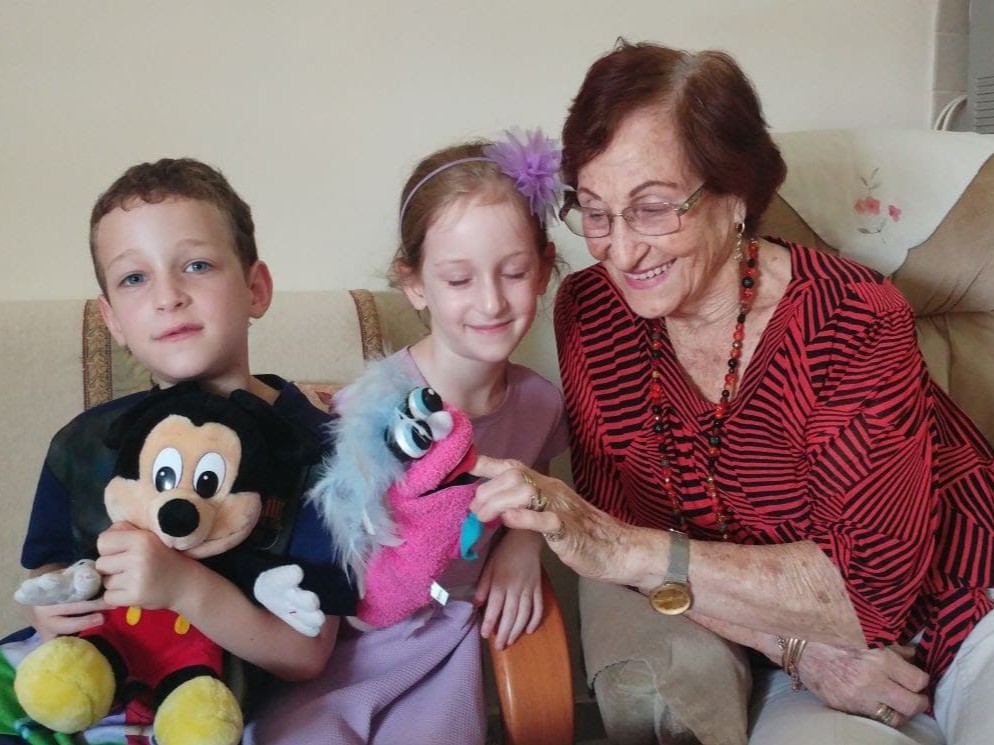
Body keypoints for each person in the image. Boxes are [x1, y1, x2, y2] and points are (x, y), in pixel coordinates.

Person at [469, 41, 994, 745]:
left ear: (735, 195)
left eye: (653, 208)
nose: (620, 250)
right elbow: (628, 531)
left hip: (968, 610)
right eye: (595, 212)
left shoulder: (853, 318)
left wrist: (619, 547)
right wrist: (796, 651)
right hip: (805, 654)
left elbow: (870, 593)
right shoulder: (592, 313)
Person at [0, 158, 357, 744]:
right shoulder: (83, 443)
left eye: (196, 265)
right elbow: (48, 570)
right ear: (112, 320)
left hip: (210, 711)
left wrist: (185, 588)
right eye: (134, 278)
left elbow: (306, 655)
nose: (168, 297)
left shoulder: (321, 453)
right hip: (82, 688)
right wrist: (46, 608)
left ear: (256, 288)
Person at [244, 130, 569, 745]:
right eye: (459, 280)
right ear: (415, 283)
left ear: (544, 269)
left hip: (446, 650)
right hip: (342, 651)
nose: (492, 302)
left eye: (514, 272)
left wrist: (524, 545)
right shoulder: (370, 408)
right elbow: (330, 559)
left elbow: (535, 482)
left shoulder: (541, 402)